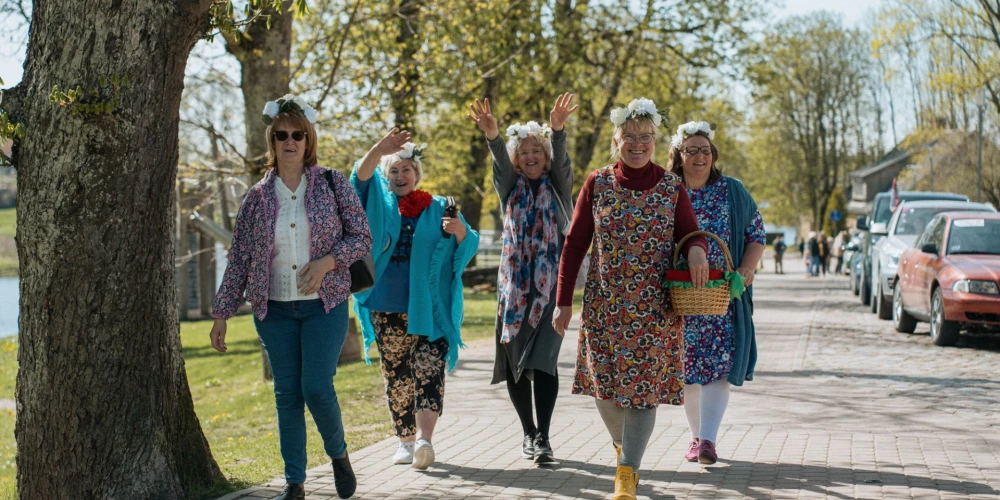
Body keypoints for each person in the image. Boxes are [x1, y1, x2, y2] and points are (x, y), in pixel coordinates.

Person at [210, 95, 370, 500]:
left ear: (308, 138)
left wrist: (328, 263)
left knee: (317, 387)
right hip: (274, 312)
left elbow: (361, 237)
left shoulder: (333, 184)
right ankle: (295, 483)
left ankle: (338, 455)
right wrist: (221, 313)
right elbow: (240, 259)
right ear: (273, 141)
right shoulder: (256, 198)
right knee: (287, 395)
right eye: (282, 134)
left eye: (298, 134)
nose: (290, 141)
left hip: (325, 306)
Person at [553, 98, 709, 500]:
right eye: (630, 137)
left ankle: (627, 473)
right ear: (616, 139)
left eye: (646, 138)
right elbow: (574, 245)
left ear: (655, 140)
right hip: (604, 308)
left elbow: (691, 235)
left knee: (642, 393)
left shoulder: (672, 186)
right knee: (604, 389)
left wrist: (696, 253)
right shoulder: (598, 183)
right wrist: (563, 300)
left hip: (654, 311)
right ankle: (627, 446)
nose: (638, 144)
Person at [351, 130, 480, 470]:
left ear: (417, 174)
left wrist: (460, 232)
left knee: (428, 370)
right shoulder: (377, 201)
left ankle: (424, 441)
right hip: (386, 305)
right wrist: (379, 149)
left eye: (406, 169)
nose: (400, 176)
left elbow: (469, 244)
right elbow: (358, 177)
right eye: (393, 170)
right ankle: (405, 442)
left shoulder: (438, 207)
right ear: (386, 175)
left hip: (429, 308)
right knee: (397, 375)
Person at [468, 93, 577, 464]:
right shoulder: (510, 188)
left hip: (549, 292)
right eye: (524, 153)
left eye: (538, 152)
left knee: (544, 361)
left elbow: (563, 164)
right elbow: (499, 164)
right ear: (517, 158)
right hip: (513, 291)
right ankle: (528, 432)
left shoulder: (560, 188)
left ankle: (544, 437)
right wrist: (494, 137)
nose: (531, 157)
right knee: (515, 363)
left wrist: (558, 130)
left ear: (545, 157)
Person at [666, 121, 766, 466]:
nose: (699, 156)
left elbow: (756, 234)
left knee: (719, 368)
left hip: (722, 298)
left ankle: (707, 439)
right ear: (678, 156)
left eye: (705, 150)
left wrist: (746, 269)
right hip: (679, 299)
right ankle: (695, 437)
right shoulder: (667, 190)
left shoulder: (733, 191)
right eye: (691, 150)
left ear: (714, 155)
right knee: (687, 371)